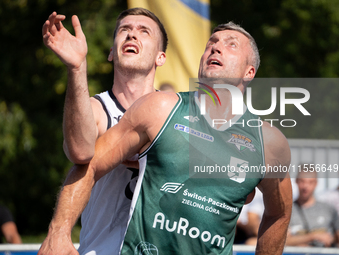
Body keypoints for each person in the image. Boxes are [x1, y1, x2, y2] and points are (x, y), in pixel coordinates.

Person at [40, 22, 293, 254]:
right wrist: (58, 233)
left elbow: (279, 214)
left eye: (230, 44)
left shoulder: (269, 143)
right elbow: (90, 165)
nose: (216, 48)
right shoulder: (160, 108)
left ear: (249, 72)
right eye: (211, 44)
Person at [39, 8, 167, 255]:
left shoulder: (174, 113)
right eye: (124, 30)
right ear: (111, 53)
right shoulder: (98, 109)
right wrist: (77, 68)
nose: (132, 35)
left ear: (160, 58)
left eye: (144, 31)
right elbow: (80, 152)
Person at [286, 164, 339, 247]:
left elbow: (336, 237)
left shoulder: (329, 209)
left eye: (310, 182)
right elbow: (284, 241)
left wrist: (331, 239)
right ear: (296, 181)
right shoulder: (287, 210)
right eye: (302, 181)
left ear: (316, 183)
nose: (305, 186)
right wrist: (313, 236)